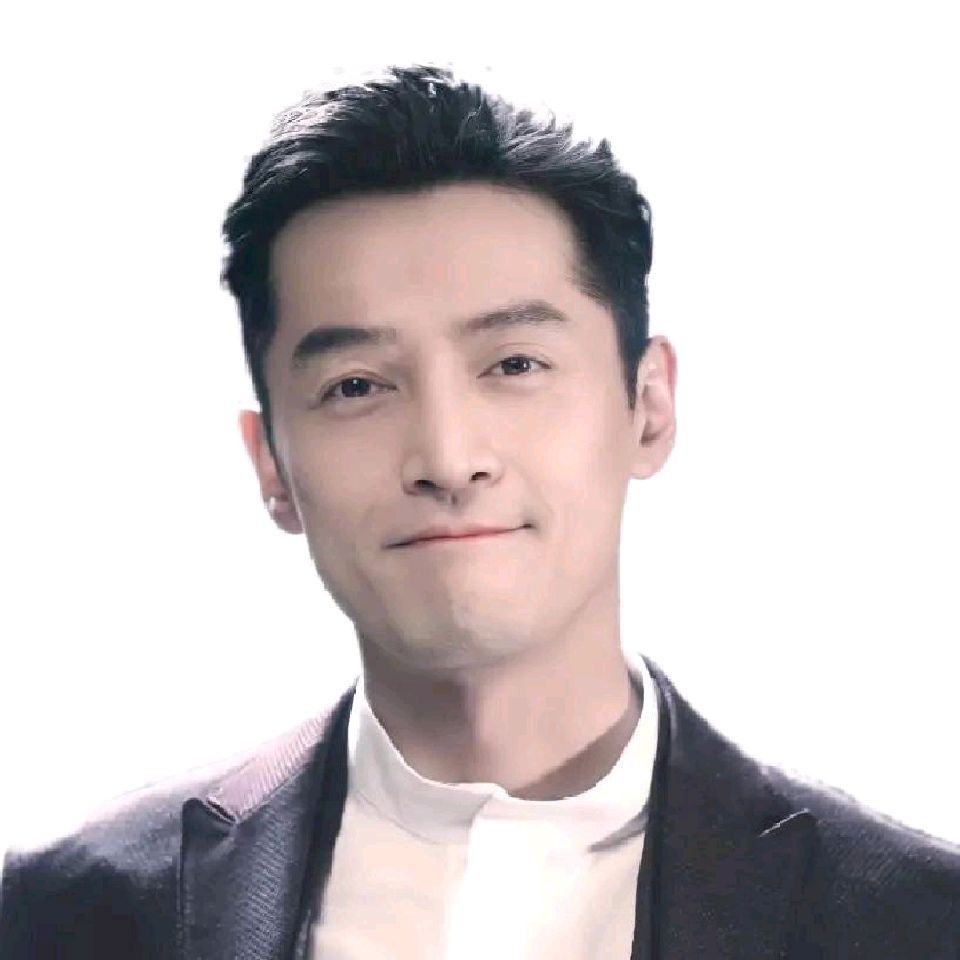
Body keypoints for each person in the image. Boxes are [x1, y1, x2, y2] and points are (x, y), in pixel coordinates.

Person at [1, 62, 957, 960]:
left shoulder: (914, 921)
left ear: (649, 406)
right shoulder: (63, 915)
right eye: (356, 385)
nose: (449, 459)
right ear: (272, 466)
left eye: (514, 364)